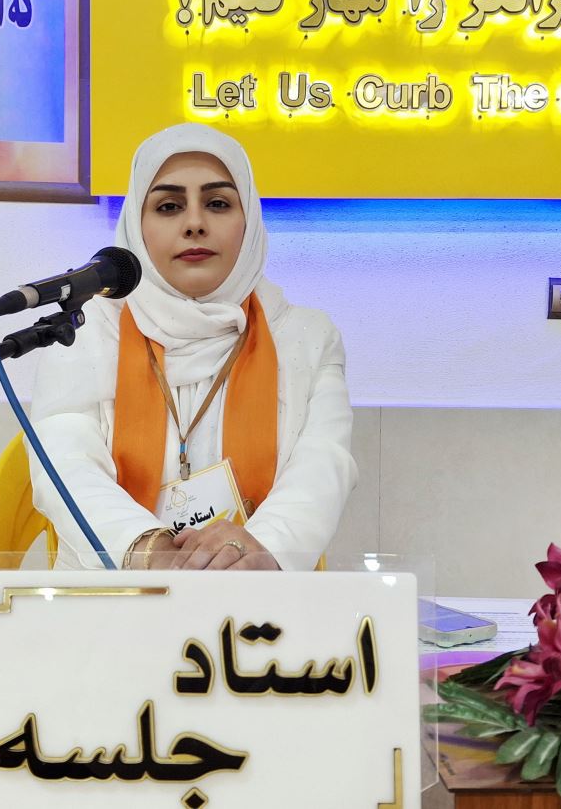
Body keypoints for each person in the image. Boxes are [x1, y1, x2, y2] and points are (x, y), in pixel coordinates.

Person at [27, 123, 356, 570]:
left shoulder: (306, 338)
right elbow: (64, 466)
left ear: (250, 222)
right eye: (169, 206)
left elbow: (322, 469)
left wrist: (255, 552)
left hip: (254, 596)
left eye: (218, 203)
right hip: (109, 594)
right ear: (137, 225)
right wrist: (146, 549)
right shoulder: (84, 332)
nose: (195, 223)